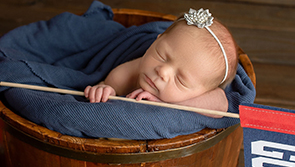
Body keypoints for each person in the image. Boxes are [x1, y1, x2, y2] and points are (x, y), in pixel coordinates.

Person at [84, 8, 237, 117]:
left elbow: (221, 104)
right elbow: (103, 88)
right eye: (161, 55)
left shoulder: (205, 94)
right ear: (156, 41)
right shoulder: (123, 76)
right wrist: (103, 89)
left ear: (202, 92)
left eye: (181, 80)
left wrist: (168, 104)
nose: (163, 71)